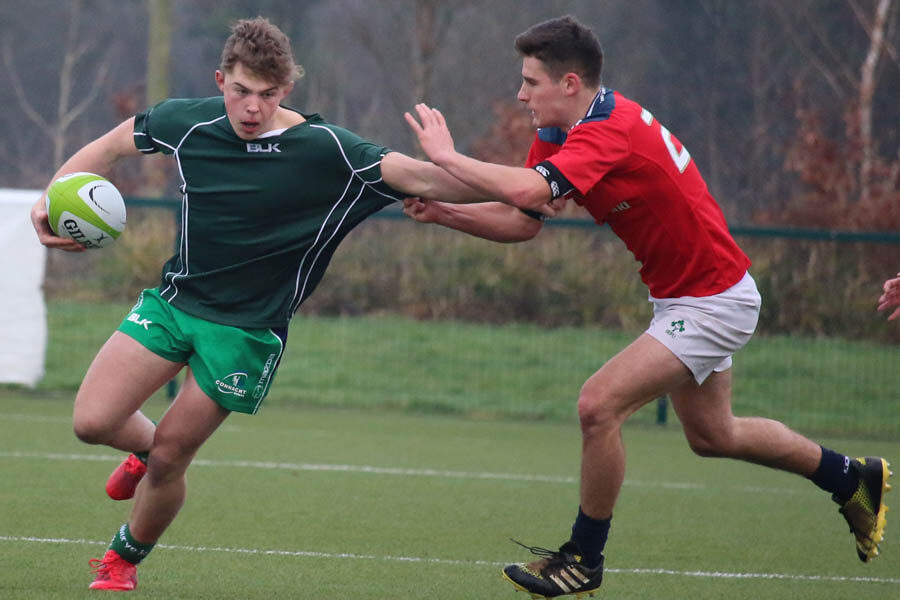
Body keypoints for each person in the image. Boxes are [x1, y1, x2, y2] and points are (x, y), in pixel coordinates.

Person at [30, 17, 557, 592]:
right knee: (91, 422)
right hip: (176, 303)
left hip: (247, 332)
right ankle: (141, 451)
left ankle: (123, 558)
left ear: (287, 91)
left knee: (170, 461)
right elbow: (107, 148)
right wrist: (51, 201)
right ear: (220, 80)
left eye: (267, 94)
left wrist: (531, 185)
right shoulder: (189, 121)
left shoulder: (330, 150)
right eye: (239, 91)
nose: (251, 107)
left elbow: (429, 180)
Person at [402, 15, 892, 599]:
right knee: (714, 436)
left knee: (597, 405)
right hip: (685, 299)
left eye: (530, 82)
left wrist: (446, 158)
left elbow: (528, 191)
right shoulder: (562, 132)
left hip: (714, 300)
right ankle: (850, 479)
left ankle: (584, 558)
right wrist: (446, 212)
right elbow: (523, 220)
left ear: (569, 82)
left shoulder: (610, 128)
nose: (520, 94)